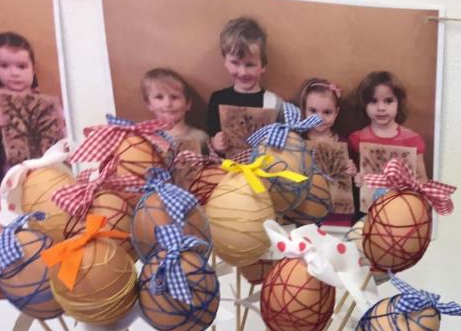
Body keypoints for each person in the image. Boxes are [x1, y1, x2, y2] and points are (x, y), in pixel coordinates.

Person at [0, 31, 63, 176]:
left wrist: (61, 123)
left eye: (21, 66)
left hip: (49, 166)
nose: (14, 73)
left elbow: (61, 129)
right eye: (4, 66)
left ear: (33, 68)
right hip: (15, 170)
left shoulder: (43, 100)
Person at [206, 17, 280, 155]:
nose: (242, 72)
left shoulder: (274, 102)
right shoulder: (218, 99)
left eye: (250, 65)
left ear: (263, 66)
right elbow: (212, 138)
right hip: (227, 165)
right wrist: (216, 143)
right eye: (235, 63)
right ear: (225, 61)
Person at [296, 76, 355, 226]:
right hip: (305, 210)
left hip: (336, 215)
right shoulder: (297, 141)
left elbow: (352, 180)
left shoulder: (343, 143)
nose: (319, 118)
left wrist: (352, 171)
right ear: (304, 109)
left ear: (336, 112)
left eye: (327, 112)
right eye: (313, 111)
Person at [141, 67, 208, 155]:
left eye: (174, 97)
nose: (168, 104)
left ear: (188, 104)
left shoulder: (200, 137)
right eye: (159, 97)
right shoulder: (145, 137)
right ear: (149, 104)